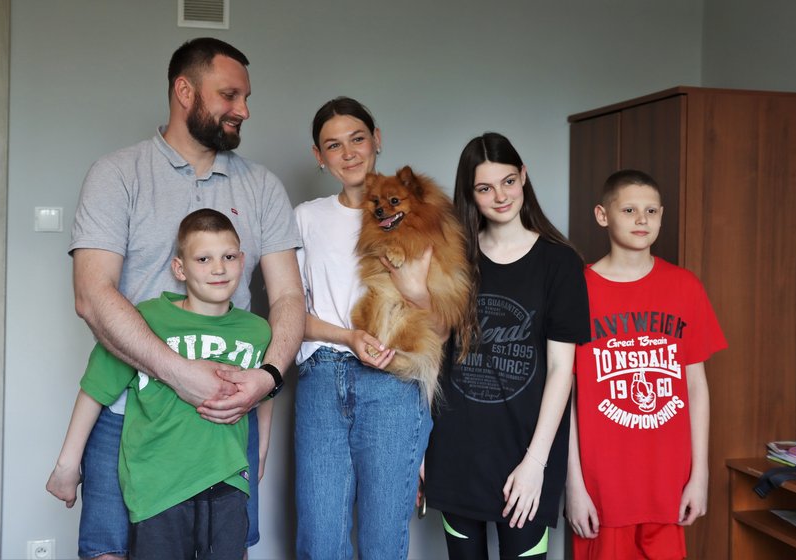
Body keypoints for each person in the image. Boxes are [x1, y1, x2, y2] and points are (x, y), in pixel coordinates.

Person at [64, 38, 304, 559]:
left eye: (245, 97)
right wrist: (179, 372)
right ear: (184, 91)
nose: (243, 110)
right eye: (230, 95)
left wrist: (268, 379)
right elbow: (91, 294)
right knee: (110, 551)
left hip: (225, 422)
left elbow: (288, 298)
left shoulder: (261, 187)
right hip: (128, 413)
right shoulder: (117, 175)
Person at [48, 209, 270, 558]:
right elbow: (96, 388)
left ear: (242, 261)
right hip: (158, 487)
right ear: (179, 268)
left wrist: (258, 454)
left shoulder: (257, 330)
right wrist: (67, 465)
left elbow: (262, 393)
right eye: (203, 258)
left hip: (227, 482)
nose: (218, 268)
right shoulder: (146, 320)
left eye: (228, 257)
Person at [425, 132, 590, 560]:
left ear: (524, 177)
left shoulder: (561, 262)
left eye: (508, 182)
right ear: (470, 194)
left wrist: (536, 463)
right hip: (457, 451)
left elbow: (561, 371)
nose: (500, 196)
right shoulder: (455, 258)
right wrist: (420, 447)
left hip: (526, 455)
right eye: (484, 187)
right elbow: (432, 354)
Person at [293, 97, 436, 560]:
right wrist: (347, 337)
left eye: (357, 139)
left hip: (393, 382)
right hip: (321, 377)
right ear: (318, 156)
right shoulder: (305, 218)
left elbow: (439, 318)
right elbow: (289, 313)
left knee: (382, 541)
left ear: (377, 140)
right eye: (333, 145)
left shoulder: (415, 214)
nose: (349, 153)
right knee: (320, 540)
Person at [565, 169, 727, 560]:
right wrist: (573, 485)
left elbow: (696, 386)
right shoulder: (576, 290)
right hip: (602, 489)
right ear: (603, 215)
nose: (642, 220)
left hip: (668, 486)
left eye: (651, 211)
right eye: (630, 210)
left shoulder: (685, 287)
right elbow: (564, 396)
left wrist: (699, 475)